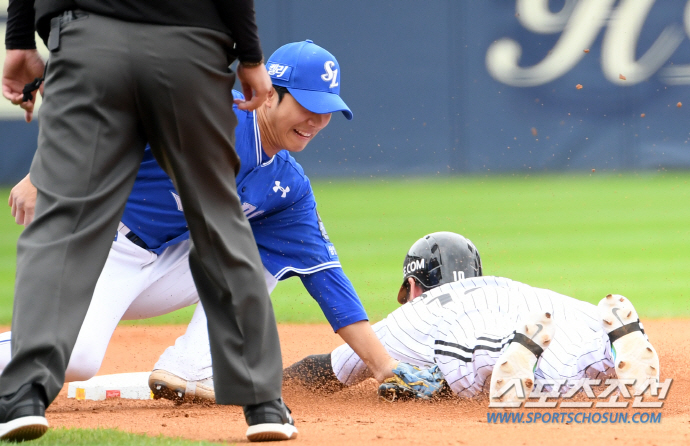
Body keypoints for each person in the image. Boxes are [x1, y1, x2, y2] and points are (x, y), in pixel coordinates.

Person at [3, 41, 399, 405]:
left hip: (161, 267)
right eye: (307, 105)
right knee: (77, 360)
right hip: (98, 244)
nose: (316, 119)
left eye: (326, 110)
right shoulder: (210, 112)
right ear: (267, 95)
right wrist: (44, 174)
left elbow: (327, 278)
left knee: (265, 249)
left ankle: (190, 366)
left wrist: (386, 369)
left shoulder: (288, 187)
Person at [0, 0, 291, 442]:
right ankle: (262, 402)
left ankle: (23, 393)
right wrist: (251, 57)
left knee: (63, 220)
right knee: (218, 218)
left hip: (86, 41)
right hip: (189, 45)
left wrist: (19, 40)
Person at [284, 232, 661, 402]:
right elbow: (579, 311)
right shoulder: (507, 287)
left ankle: (513, 352)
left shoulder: (416, 313)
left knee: (466, 357)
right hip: (551, 313)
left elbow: (325, 369)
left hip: (483, 340)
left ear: (414, 286)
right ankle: (613, 346)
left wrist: (265, 384)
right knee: (580, 355)